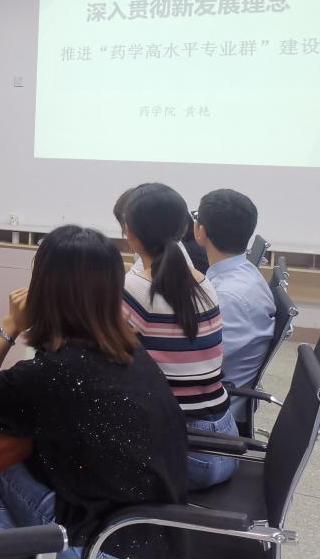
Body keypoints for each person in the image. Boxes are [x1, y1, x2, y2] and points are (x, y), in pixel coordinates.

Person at [0, 225, 186, 559]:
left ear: (43, 289)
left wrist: (11, 325)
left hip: (103, 544)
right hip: (159, 535)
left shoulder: (54, 372)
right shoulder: (128, 348)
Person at [121, 183, 238, 490]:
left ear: (128, 232)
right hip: (226, 441)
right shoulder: (204, 282)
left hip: (186, 453)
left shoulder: (134, 289)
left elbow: (95, 356)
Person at [194, 189, 275, 420]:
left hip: (213, 411)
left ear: (201, 232)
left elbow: (200, 364)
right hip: (221, 393)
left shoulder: (228, 297)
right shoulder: (244, 272)